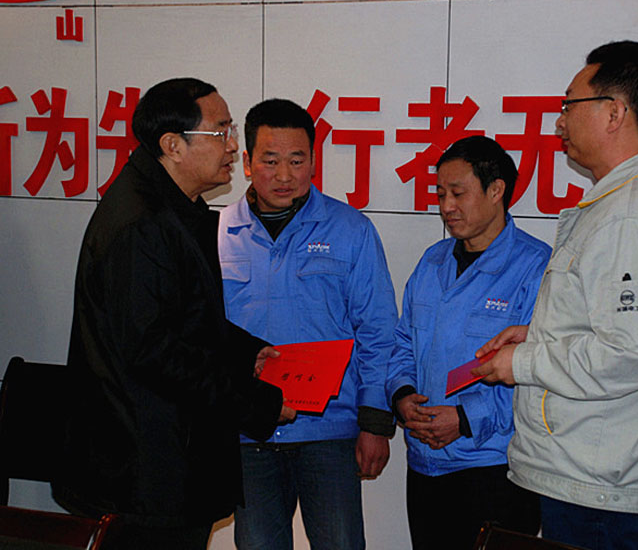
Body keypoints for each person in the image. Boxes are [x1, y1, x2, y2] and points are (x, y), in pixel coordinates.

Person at [473, 41, 638, 550]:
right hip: (599, 477)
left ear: (615, 113)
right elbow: (619, 329)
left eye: (569, 105)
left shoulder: (630, 214)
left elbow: (633, 352)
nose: (559, 122)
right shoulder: (626, 201)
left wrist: (524, 362)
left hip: (604, 488)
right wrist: (538, 334)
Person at [53, 78, 293, 550]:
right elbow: (155, 352)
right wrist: (255, 405)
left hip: (166, 461)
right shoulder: (141, 224)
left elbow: (183, 317)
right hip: (143, 471)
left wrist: (247, 352)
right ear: (172, 145)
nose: (232, 146)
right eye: (220, 132)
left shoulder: (171, 207)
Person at [218, 98, 397, 550]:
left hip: (329, 431)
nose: (284, 175)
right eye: (270, 160)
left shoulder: (350, 229)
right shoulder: (217, 234)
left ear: (314, 162)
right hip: (249, 432)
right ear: (246, 163)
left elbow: (377, 330)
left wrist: (375, 422)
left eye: (297, 161)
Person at [386, 135, 550, 550]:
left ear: (496, 191)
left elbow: (543, 371)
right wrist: (402, 396)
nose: (446, 206)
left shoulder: (536, 267)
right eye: (440, 193)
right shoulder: (432, 261)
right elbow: (403, 342)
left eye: (458, 193)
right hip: (425, 466)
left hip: (495, 469)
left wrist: (464, 418)